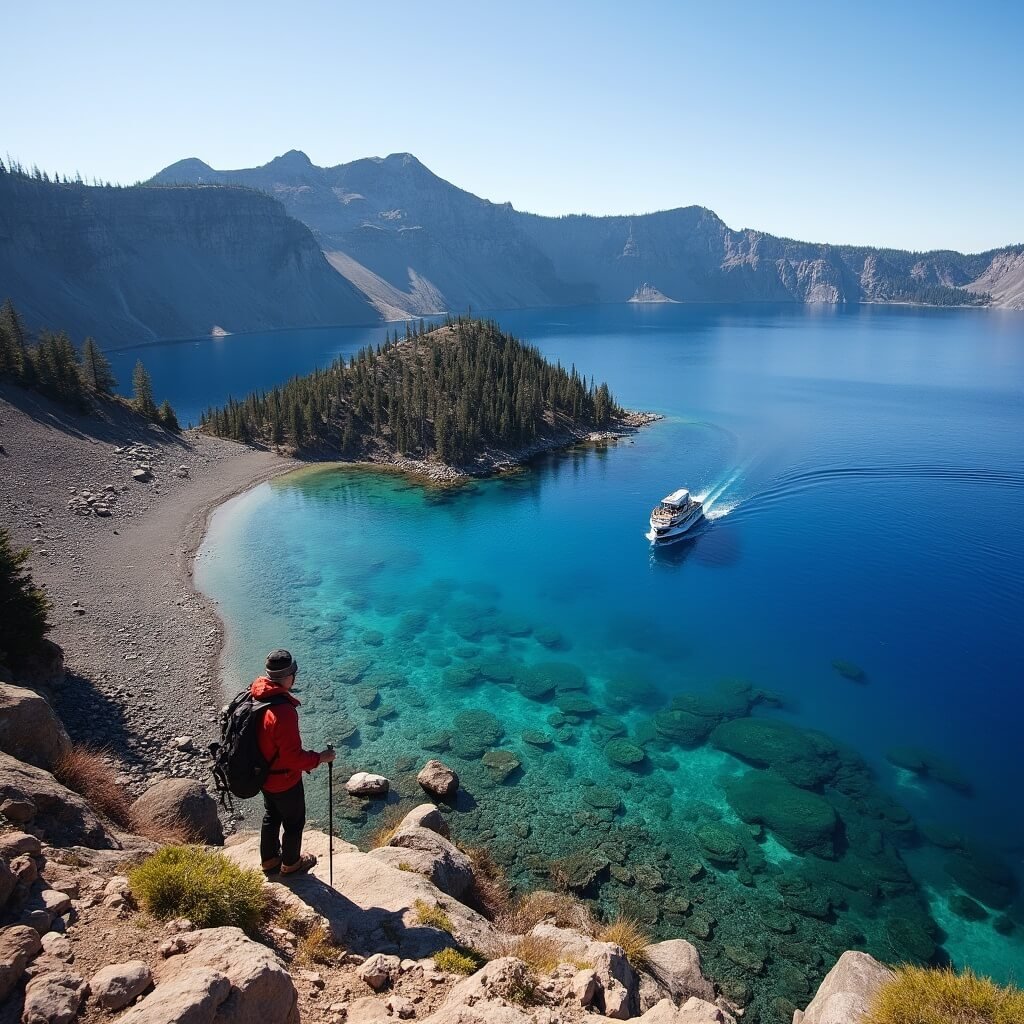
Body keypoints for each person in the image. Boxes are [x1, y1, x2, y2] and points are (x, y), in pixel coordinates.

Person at [252, 649, 335, 876]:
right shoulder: (283, 712)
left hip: (262, 774)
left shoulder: (256, 696)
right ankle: (291, 864)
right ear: (289, 676)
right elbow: (292, 757)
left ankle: (269, 861)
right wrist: (320, 758)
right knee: (294, 821)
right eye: (294, 674)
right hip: (284, 779)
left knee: (271, 815)